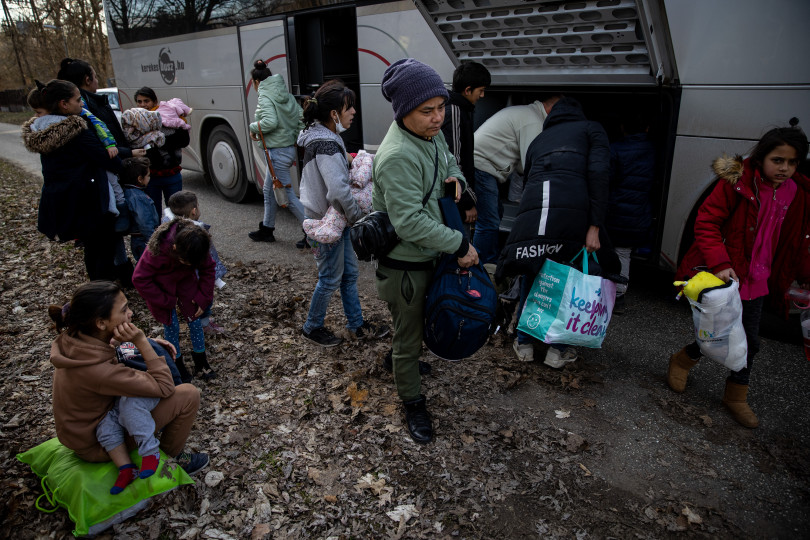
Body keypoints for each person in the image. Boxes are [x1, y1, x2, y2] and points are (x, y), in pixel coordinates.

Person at [668, 124, 810, 429]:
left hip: (758, 280)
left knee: (750, 342)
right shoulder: (736, 182)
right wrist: (719, 262)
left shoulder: (797, 192)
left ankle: (736, 396)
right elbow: (706, 222)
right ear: (761, 157)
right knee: (715, 334)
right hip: (728, 279)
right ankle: (682, 360)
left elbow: (797, 240)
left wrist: (803, 275)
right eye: (778, 160)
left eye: (793, 162)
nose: (785, 168)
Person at [373, 58, 479, 444]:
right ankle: (412, 401)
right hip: (405, 266)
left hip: (427, 258)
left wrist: (456, 183)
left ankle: (403, 365)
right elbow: (410, 224)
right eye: (427, 111)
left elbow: (453, 167)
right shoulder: (399, 154)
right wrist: (461, 244)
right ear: (404, 112)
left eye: (441, 107)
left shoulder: (430, 137)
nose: (438, 118)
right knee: (408, 338)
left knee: (411, 331)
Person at [48, 282, 209, 491]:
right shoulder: (99, 372)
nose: (131, 313)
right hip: (100, 443)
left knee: (143, 374)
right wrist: (142, 343)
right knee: (188, 394)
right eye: (124, 310)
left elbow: (106, 345)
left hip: (83, 433)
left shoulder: (72, 338)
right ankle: (171, 459)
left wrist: (151, 342)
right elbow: (165, 387)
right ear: (101, 323)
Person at [497, 96, 619, 368]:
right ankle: (557, 349)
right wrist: (595, 226)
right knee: (570, 276)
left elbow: (528, 179)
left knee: (534, 270)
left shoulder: (541, 139)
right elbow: (599, 175)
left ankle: (524, 342)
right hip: (574, 213)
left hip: (537, 212)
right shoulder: (592, 130)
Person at [297, 79, 388, 347]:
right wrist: (360, 218)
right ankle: (311, 327)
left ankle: (356, 324)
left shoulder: (326, 138)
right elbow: (337, 191)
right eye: (349, 108)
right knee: (329, 278)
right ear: (334, 114)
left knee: (348, 274)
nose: (354, 112)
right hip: (325, 225)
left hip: (338, 221)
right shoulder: (325, 145)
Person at [21, 79, 122, 282]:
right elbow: (106, 158)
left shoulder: (44, 131)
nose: (82, 103)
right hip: (90, 200)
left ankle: (99, 293)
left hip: (68, 201)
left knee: (92, 251)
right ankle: (103, 300)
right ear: (63, 104)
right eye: (77, 100)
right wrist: (126, 158)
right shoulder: (75, 131)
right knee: (102, 250)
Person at [57, 58, 146, 285]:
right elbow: (101, 151)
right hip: (96, 189)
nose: (81, 103)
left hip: (94, 187)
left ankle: (114, 280)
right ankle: (106, 292)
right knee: (103, 242)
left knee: (102, 243)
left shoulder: (82, 111)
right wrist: (125, 156)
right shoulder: (82, 116)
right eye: (95, 76)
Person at [472, 94, 560, 265]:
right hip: (482, 166)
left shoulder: (527, 113)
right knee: (489, 221)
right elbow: (530, 163)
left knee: (493, 216)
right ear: (551, 110)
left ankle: (487, 261)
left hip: (482, 165)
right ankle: (484, 266)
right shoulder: (534, 121)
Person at [132, 219, 218, 382]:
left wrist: (202, 298)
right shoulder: (157, 250)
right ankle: (176, 363)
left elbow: (208, 269)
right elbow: (140, 278)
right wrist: (165, 300)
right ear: (174, 249)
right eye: (186, 262)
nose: (190, 264)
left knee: (195, 321)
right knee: (171, 325)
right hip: (163, 290)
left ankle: (201, 361)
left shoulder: (198, 246)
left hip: (186, 286)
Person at [246, 60, 308, 248]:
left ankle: (315, 232)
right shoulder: (285, 93)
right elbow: (300, 118)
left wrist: (253, 126)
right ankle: (267, 229)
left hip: (276, 153)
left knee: (286, 195)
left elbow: (270, 122)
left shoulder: (265, 96)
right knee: (268, 191)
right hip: (286, 149)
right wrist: (292, 138)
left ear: (257, 82)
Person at [605, 112, 657, 313]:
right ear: (647, 128)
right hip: (639, 214)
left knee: (606, 252)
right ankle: (619, 296)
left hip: (615, 212)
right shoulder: (655, 150)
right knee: (624, 253)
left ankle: (601, 295)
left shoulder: (615, 150)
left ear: (622, 128)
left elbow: (607, 181)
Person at [163, 190, 228, 334]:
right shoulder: (196, 235)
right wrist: (216, 277)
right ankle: (204, 325)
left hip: (182, 280)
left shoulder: (168, 227)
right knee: (203, 301)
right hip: (197, 278)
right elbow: (209, 261)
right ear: (194, 211)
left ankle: (200, 321)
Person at [440, 61, 491, 226]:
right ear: (468, 90)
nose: (482, 95)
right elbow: (454, 161)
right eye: (480, 91)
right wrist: (467, 203)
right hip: (459, 198)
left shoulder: (463, 109)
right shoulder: (455, 111)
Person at [133, 87, 191, 214]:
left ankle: (175, 234)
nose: (143, 105)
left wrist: (158, 140)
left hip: (172, 174)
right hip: (150, 177)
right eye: (139, 101)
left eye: (146, 101)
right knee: (154, 212)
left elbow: (184, 140)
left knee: (177, 212)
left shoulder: (168, 116)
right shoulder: (135, 122)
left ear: (155, 101)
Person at [119, 157, 159, 261]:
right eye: (148, 175)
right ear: (140, 179)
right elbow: (144, 222)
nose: (150, 178)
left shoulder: (128, 191)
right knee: (148, 264)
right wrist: (154, 241)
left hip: (140, 239)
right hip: (143, 240)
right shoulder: (138, 197)